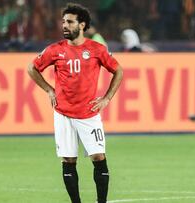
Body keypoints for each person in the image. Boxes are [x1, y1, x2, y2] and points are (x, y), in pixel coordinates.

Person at [27, 3, 123, 203]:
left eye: (69, 22)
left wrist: (106, 98)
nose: (64, 25)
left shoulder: (96, 49)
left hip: (89, 114)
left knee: (99, 158)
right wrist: (48, 89)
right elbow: (32, 68)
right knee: (69, 161)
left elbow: (118, 71)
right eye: (63, 21)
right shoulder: (55, 50)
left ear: (82, 25)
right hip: (63, 113)